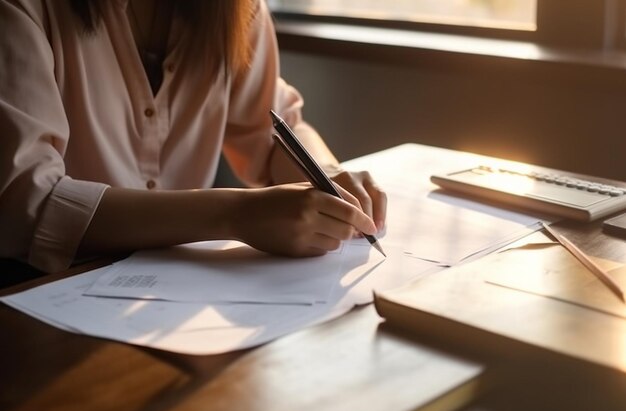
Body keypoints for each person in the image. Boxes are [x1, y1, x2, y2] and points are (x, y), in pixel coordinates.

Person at [0, 0, 387, 274]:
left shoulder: (235, 9)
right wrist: (235, 214)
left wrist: (327, 174)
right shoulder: (25, 8)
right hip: (39, 286)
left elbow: (274, 132)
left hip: (175, 287)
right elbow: (26, 202)